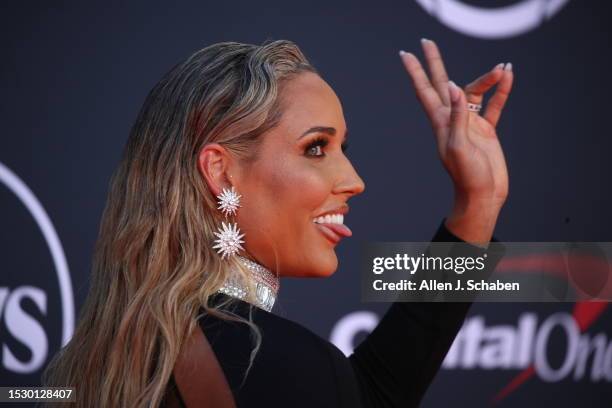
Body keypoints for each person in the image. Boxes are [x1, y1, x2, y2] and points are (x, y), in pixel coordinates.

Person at [43, 38, 513, 407]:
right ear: (219, 170)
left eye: (342, 150)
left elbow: (370, 395)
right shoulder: (267, 361)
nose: (354, 181)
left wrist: (479, 202)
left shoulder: (102, 361)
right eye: (316, 148)